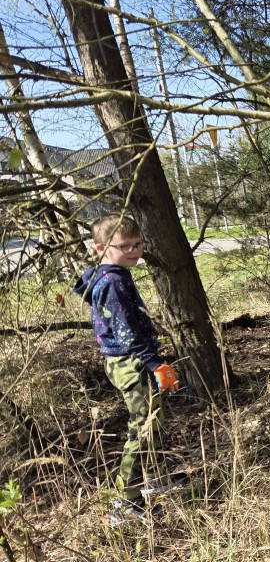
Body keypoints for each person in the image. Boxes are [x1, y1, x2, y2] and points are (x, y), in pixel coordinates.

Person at [73, 213, 181, 525]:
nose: (134, 251)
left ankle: (152, 479)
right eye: (125, 246)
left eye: (138, 244)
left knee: (153, 419)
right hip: (130, 362)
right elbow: (126, 332)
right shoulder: (112, 282)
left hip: (128, 359)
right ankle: (126, 501)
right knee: (142, 427)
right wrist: (155, 364)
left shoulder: (112, 274)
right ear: (100, 248)